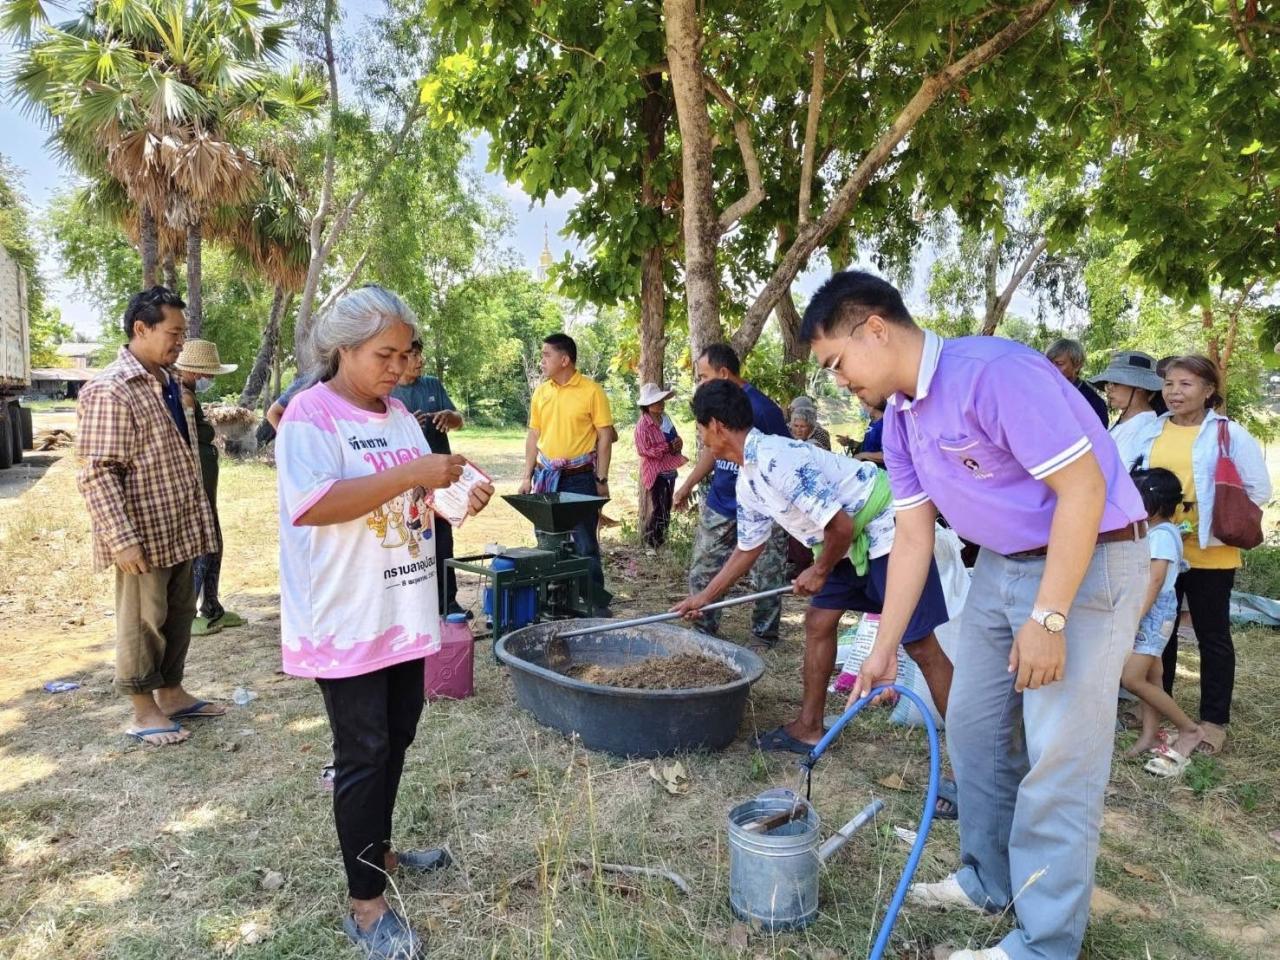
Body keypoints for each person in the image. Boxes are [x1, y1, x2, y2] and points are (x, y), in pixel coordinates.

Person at [803, 270, 1148, 960]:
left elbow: (1082, 489)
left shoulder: (994, 373)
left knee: (1058, 759)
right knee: (974, 725)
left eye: (836, 362)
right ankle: (989, 879)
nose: (837, 380)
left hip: (1088, 564)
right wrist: (883, 648)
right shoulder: (898, 418)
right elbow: (911, 536)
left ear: (875, 328)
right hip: (999, 564)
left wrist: (1049, 618)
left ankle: (1046, 943)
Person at [276, 286, 493, 958]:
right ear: (342, 347)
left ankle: (379, 851)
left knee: (397, 736)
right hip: (346, 620)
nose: (399, 368)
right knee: (364, 753)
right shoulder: (309, 417)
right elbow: (315, 504)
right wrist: (413, 471)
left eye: (406, 354)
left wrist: (458, 490)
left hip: (400, 608)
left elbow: (419, 494)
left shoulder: (399, 415)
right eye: (385, 354)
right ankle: (366, 908)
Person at [672, 381, 957, 763]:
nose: (701, 436)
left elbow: (839, 526)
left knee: (920, 644)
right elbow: (749, 547)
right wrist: (706, 598)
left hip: (887, 528)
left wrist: (819, 572)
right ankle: (808, 727)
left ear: (717, 425)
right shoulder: (749, 479)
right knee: (819, 620)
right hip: (845, 539)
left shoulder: (777, 459)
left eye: (701, 427)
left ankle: (968, 761)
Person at [76, 286, 225, 747]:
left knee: (179, 612)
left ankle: (173, 694)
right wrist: (120, 539)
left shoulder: (165, 382)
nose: (180, 342)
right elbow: (98, 472)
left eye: (182, 333)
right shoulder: (111, 389)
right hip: (140, 531)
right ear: (141, 329)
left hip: (178, 524)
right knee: (144, 617)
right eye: (173, 332)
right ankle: (143, 711)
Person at [1131, 355, 1271, 757]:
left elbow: (1258, 490)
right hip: (1160, 552)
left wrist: (1216, 519)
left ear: (1209, 390)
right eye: (1170, 384)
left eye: (1186, 384)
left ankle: (1213, 722)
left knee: (1212, 637)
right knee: (1161, 632)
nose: (1174, 392)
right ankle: (1159, 706)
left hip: (1211, 552)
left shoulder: (1228, 433)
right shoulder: (1151, 431)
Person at [673, 343, 790, 649]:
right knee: (704, 566)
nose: (700, 383)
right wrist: (687, 485)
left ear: (724, 373)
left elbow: (783, 461)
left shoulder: (763, 410)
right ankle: (702, 630)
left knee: (768, 574)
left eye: (703, 376)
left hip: (764, 505)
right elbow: (714, 450)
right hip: (722, 501)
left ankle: (764, 636)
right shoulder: (713, 408)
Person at [518, 333, 615, 615]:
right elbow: (533, 434)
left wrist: (601, 479)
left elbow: (605, 437)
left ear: (565, 359)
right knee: (548, 541)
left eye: (546, 355)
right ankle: (555, 602)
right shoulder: (541, 391)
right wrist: (527, 475)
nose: (541, 361)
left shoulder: (591, 390)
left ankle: (595, 602)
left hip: (580, 477)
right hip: (546, 477)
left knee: (585, 543)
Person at [1118, 468, 1204, 771]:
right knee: (1152, 676)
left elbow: (1154, 583)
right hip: (1147, 611)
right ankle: (1150, 734)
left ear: (1153, 503)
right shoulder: (1156, 532)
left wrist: (1132, 620)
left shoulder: (1162, 537)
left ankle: (1190, 729)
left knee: (1131, 678)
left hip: (1151, 614)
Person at [174, 339, 246, 636]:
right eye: (209, 374)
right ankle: (188, 613)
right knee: (204, 544)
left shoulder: (189, 394)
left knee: (213, 542)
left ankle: (212, 606)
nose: (211, 380)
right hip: (196, 486)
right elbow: (188, 445)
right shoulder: (183, 398)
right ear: (194, 371)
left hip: (207, 483)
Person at [392, 339, 467, 616]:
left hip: (440, 477)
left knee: (443, 541)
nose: (420, 360)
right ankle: (414, 603)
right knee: (410, 541)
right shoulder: (389, 392)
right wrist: (406, 424)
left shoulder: (432, 385)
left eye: (420, 354)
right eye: (413, 355)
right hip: (408, 481)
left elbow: (459, 420)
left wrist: (450, 417)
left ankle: (448, 601)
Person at [633, 382, 687, 549]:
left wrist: (678, 443)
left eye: (661, 401)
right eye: (657, 402)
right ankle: (651, 543)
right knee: (659, 508)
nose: (661, 404)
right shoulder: (642, 426)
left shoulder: (665, 419)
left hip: (669, 468)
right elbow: (644, 450)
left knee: (666, 506)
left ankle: (661, 541)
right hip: (655, 472)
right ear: (648, 406)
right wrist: (667, 447)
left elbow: (675, 437)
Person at [1089, 350, 1162, 469]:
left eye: (1115, 383)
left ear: (1139, 387)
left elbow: (1121, 473)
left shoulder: (1144, 426)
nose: (1108, 388)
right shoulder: (1127, 421)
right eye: (1108, 383)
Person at [1046, 337, 1108, 426]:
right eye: (1049, 363)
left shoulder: (1093, 402)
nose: (1052, 368)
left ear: (1077, 365)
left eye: (1059, 364)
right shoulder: (1044, 392)